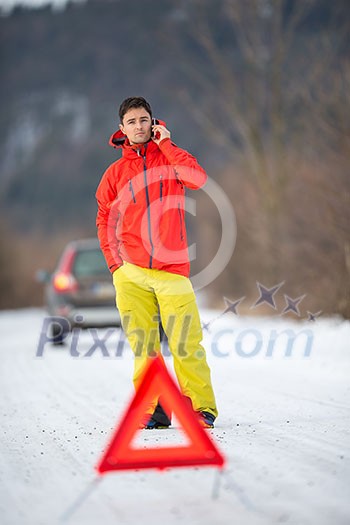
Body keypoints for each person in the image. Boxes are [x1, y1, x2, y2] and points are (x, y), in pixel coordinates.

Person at [96, 96, 217, 428]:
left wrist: (168, 145)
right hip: (130, 272)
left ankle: (200, 408)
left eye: (144, 120)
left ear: (154, 123)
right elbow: (104, 219)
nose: (139, 126)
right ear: (122, 129)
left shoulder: (170, 160)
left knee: (186, 342)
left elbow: (197, 178)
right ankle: (155, 411)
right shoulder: (114, 173)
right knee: (144, 346)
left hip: (172, 271)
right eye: (132, 121)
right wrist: (115, 264)